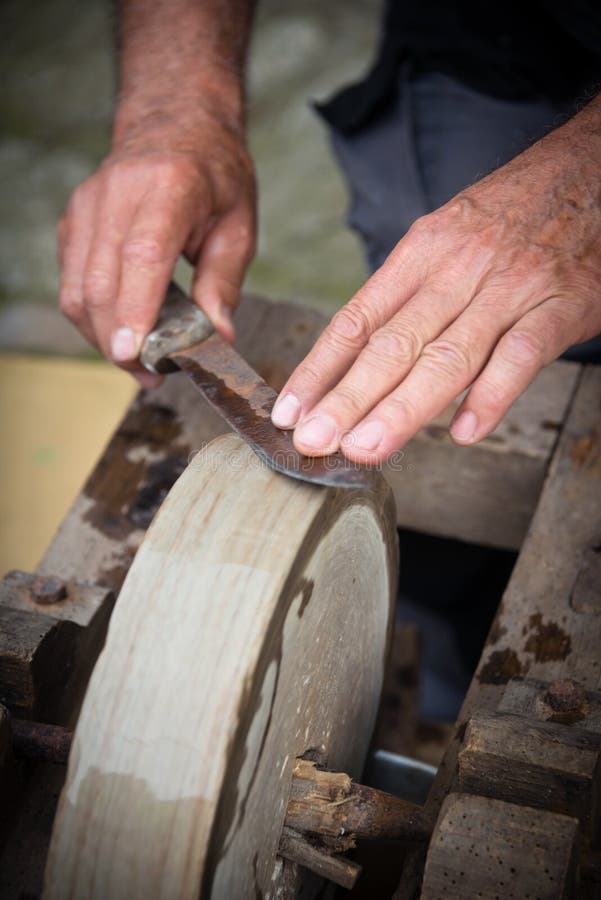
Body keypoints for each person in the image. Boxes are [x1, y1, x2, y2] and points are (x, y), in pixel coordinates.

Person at [58, 1, 601, 718]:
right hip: (495, 46)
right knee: (433, 335)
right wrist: (175, 110)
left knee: (536, 343)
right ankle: (415, 647)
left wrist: (585, 181)